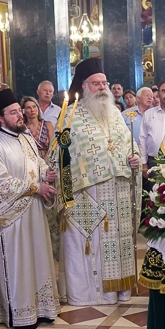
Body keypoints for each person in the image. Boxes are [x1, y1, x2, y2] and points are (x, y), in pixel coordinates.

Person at [60, 58, 141, 305]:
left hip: (119, 191)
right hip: (90, 193)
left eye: (104, 83)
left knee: (120, 244)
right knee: (93, 244)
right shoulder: (71, 117)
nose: (102, 88)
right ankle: (93, 295)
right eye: (96, 84)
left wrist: (135, 158)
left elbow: (129, 143)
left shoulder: (116, 114)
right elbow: (61, 156)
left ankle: (121, 290)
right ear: (84, 86)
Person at [0, 88, 60, 328]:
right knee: (18, 263)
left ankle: (41, 308)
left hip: (34, 211)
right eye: (13, 113)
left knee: (37, 257)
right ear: (0, 118)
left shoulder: (25, 137)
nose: (20, 116)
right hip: (12, 217)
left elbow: (37, 162)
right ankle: (18, 312)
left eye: (19, 111)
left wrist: (47, 172)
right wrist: (37, 186)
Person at [140, 79, 165, 169]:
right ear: (158, 94)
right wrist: (143, 162)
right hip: (153, 161)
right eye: (164, 91)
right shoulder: (149, 113)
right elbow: (143, 138)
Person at [21, 95, 53, 160]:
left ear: (38, 108)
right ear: (23, 111)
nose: (32, 110)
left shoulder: (48, 124)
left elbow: (53, 145)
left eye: (34, 106)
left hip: (48, 160)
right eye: (28, 108)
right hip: (30, 162)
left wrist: (44, 162)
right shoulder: (21, 128)